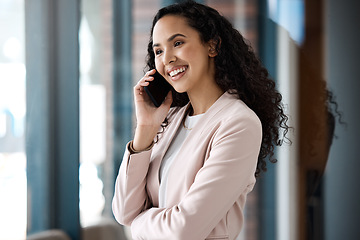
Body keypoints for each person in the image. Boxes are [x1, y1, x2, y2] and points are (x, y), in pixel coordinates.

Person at [112, 1, 289, 239]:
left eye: (177, 43)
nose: (167, 59)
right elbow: (124, 211)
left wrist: (138, 224)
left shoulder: (238, 123)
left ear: (212, 46)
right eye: (158, 51)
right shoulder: (171, 119)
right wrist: (145, 128)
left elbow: (183, 230)